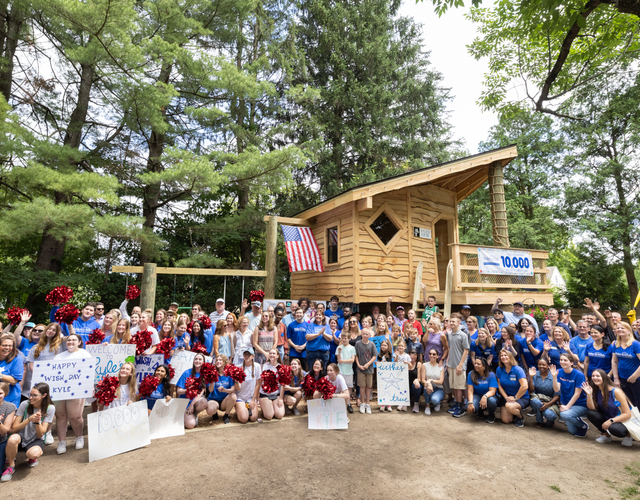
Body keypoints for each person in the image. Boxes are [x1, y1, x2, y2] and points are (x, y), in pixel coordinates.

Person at [2, 382, 54, 482]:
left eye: (34, 395)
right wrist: (29, 420)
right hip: (21, 436)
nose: (30, 397)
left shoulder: (50, 408)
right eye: (30, 394)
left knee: (33, 454)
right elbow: (14, 429)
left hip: (36, 439)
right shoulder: (24, 404)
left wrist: (38, 422)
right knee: (12, 439)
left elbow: (40, 434)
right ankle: (11, 467)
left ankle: (32, 457)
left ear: (44, 395)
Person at [53, 333, 90, 453]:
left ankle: (79, 437)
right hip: (60, 390)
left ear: (79, 342)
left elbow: (89, 371)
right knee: (61, 415)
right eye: (68, 340)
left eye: (74, 340)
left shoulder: (84, 354)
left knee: (75, 416)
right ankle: (62, 442)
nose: (70, 342)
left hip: (77, 389)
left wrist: (89, 386)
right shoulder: (59, 357)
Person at [584, 369, 633, 446]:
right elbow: (592, 409)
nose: (595, 378)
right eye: (593, 376)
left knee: (615, 429)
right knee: (591, 413)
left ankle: (628, 436)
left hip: (622, 419)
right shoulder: (596, 389)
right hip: (608, 416)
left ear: (604, 377)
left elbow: (627, 414)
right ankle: (606, 436)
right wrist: (589, 395)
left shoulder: (616, 391)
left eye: (598, 376)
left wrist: (611, 421)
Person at [551, 352, 589, 437]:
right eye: (561, 360)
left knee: (564, 414)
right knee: (572, 431)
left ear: (571, 363)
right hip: (566, 403)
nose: (562, 362)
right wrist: (554, 377)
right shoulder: (559, 372)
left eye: (565, 360)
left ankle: (582, 425)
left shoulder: (579, 374)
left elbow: (577, 394)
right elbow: (556, 389)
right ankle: (576, 419)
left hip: (580, 404)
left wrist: (567, 407)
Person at [496, 349, 529, 427]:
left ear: (510, 357)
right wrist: (506, 397)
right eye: (502, 356)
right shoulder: (499, 369)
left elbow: (525, 386)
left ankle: (519, 417)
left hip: (521, 397)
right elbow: (499, 385)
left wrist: (515, 398)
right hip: (507, 397)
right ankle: (513, 413)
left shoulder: (518, 369)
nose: (503, 357)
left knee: (509, 406)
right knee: (506, 420)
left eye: (505, 355)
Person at [445, 317, 470, 418]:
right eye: (450, 321)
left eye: (453, 322)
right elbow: (450, 349)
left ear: (459, 323)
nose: (451, 323)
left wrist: (460, 365)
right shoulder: (450, 334)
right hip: (451, 365)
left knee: (459, 388)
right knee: (454, 387)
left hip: (459, 366)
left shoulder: (463, 335)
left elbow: (466, 350)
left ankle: (460, 407)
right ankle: (456, 404)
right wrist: (448, 362)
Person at [612, 322, 640, 407]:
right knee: (628, 401)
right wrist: (616, 378)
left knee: (638, 401)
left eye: (622, 328)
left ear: (629, 331)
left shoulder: (636, 344)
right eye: (618, 328)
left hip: (637, 378)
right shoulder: (616, 344)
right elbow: (614, 362)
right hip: (623, 378)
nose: (620, 329)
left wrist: (634, 376)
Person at [176, 353, 207, 429]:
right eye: (196, 359)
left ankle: (193, 413)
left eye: (200, 359)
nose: (197, 361)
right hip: (184, 402)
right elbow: (178, 391)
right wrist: (188, 390)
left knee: (204, 402)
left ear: (203, 362)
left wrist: (192, 404)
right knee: (190, 425)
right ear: (193, 361)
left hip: (194, 402)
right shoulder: (186, 372)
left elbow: (201, 393)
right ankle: (182, 415)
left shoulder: (204, 375)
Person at [527, 358, 560, 428]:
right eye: (539, 364)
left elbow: (557, 395)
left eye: (544, 365)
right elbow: (531, 391)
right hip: (537, 399)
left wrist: (548, 404)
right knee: (536, 402)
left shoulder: (553, 376)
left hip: (550, 401)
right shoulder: (535, 374)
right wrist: (531, 377)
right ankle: (539, 421)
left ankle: (550, 420)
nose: (541, 366)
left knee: (551, 416)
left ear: (548, 365)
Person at [206, 355, 237, 425]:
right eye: (217, 360)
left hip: (225, 401)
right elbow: (210, 390)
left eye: (220, 360)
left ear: (224, 362)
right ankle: (214, 413)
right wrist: (212, 379)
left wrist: (224, 390)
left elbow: (232, 390)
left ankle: (226, 415)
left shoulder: (229, 375)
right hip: (213, 399)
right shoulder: (212, 373)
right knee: (210, 411)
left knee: (233, 396)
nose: (218, 361)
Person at [466, 357, 498, 422]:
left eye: (478, 364)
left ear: (484, 366)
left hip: (489, 396)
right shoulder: (471, 374)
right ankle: (480, 410)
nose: (475, 365)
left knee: (491, 401)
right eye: (475, 363)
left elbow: (492, 391)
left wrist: (485, 396)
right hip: (477, 395)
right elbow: (470, 391)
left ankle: (491, 414)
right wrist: (470, 403)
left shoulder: (491, 375)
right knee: (472, 408)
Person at [257, 349, 285, 420]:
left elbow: (282, 384)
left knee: (279, 415)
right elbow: (260, 382)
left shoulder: (281, 367)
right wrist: (257, 398)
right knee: (269, 416)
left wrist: (281, 398)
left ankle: (272, 405)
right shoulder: (264, 366)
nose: (272, 355)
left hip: (276, 394)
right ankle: (267, 406)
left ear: (278, 356)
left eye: (274, 353)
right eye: (270, 353)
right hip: (265, 394)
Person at [234, 351, 261, 423]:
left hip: (251, 398)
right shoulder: (238, 367)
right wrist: (236, 381)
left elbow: (258, 384)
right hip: (240, 397)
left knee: (253, 418)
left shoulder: (257, 366)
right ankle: (238, 408)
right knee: (244, 419)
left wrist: (253, 399)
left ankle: (244, 409)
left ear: (253, 356)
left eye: (249, 355)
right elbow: (237, 388)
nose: (247, 356)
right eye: (245, 355)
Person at [355, 328, 377, 414]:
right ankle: (362, 403)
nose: (365, 336)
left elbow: (374, 356)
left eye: (366, 334)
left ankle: (368, 404)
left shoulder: (372, 344)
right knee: (362, 387)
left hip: (369, 369)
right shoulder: (358, 343)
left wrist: (368, 364)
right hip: (360, 369)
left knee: (368, 387)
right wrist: (358, 365)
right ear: (361, 334)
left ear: (369, 335)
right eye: (363, 334)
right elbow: (356, 355)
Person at [0, 334, 23, 408]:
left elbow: (14, 381)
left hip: (10, 399)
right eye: (4, 345)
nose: (7, 348)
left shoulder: (17, 359)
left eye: (10, 346)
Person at [336, 333, 356, 413]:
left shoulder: (352, 348)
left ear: (349, 338)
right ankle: (341, 403)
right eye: (342, 338)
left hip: (349, 371)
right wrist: (340, 351)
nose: (344, 340)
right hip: (340, 371)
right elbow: (338, 360)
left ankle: (348, 403)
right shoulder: (338, 347)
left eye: (345, 338)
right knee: (341, 387)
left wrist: (343, 361)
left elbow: (352, 360)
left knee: (349, 387)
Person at [422, 349, 445, 415]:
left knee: (434, 400)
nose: (432, 355)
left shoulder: (441, 367)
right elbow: (423, 380)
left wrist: (430, 380)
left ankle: (437, 403)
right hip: (428, 388)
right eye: (430, 354)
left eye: (434, 354)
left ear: (437, 356)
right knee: (426, 387)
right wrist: (428, 383)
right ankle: (427, 406)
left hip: (439, 389)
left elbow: (441, 381)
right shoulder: (424, 365)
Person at [0, 382, 16, 474]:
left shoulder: (10, 407)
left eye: (0, 393)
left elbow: (3, 432)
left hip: (1, 440)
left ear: (5, 393)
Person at [407, 349, 422, 413]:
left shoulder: (418, 364)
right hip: (407, 387)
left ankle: (416, 403)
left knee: (416, 385)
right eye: (411, 356)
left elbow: (420, 378)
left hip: (415, 386)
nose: (413, 358)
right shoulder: (405, 363)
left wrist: (417, 380)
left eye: (414, 356)